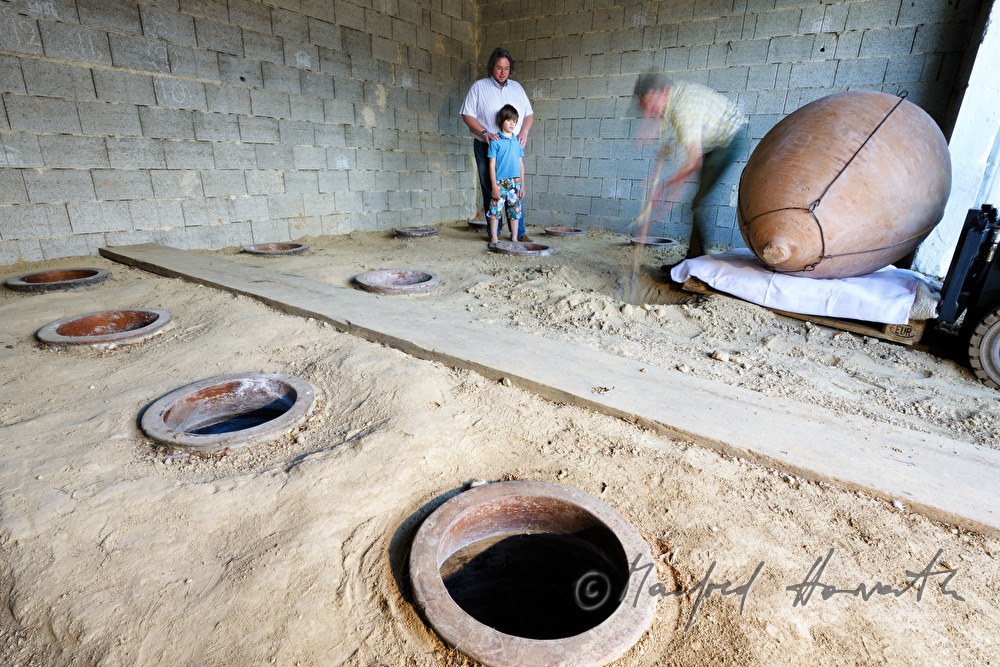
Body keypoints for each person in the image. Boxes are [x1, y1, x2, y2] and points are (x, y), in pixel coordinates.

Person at [633, 73, 749, 261]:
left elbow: (693, 163)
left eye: (650, 105)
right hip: (711, 142)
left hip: (730, 138)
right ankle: (694, 257)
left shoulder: (683, 110)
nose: (649, 112)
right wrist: (659, 192)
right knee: (693, 200)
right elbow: (669, 151)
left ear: (663, 92)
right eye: (645, 108)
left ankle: (697, 262)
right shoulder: (669, 101)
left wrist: (664, 187)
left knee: (698, 203)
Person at [461, 47, 535, 242]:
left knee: (515, 189)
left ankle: (518, 233)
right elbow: (467, 115)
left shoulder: (517, 88)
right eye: (498, 68)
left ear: (511, 69)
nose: (503, 72)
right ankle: (495, 233)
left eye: (506, 68)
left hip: (511, 147)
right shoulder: (479, 87)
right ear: (491, 68)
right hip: (487, 145)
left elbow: (528, 114)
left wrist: (524, 132)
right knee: (491, 189)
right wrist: (484, 132)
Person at [486, 104, 525, 244]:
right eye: (509, 120)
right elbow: (491, 165)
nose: (512, 124)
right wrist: (494, 186)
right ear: (501, 120)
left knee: (515, 212)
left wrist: (522, 186)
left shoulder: (517, 142)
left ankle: (514, 238)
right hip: (500, 182)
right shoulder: (495, 141)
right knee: (495, 211)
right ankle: (494, 238)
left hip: (516, 182)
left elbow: (521, 164)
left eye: (514, 121)